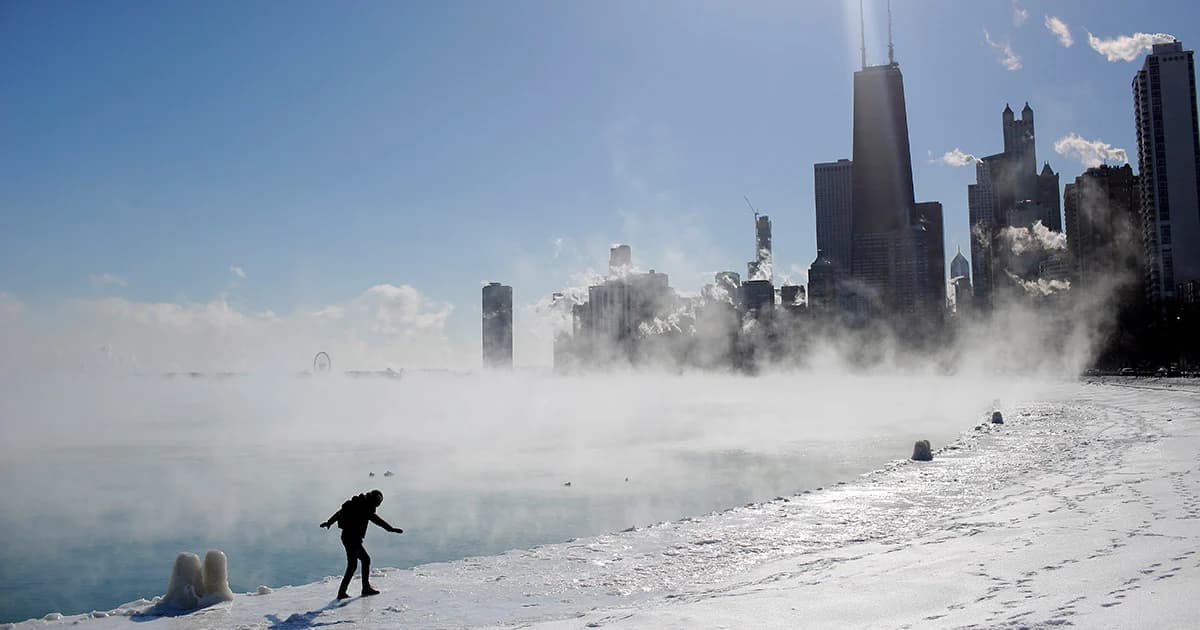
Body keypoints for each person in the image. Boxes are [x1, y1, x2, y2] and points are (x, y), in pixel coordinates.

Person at [320, 489, 403, 599]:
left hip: (348, 537)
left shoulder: (356, 503)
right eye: (378, 501)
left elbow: (339, 513)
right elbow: (377, 520)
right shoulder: (366, 508)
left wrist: (329, 522)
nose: (378, 504)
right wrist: (391, 529)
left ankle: (350, 590)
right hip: (352, 539)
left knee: (359, 562)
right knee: (358, 563)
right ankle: (359, 589)